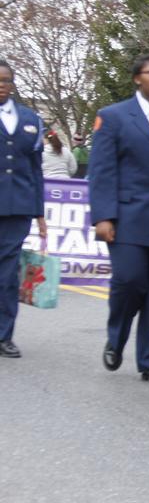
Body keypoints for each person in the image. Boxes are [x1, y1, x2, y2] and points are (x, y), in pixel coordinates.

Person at [89, 54, 149, 382]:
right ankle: (116, 336)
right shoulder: (113, 116)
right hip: (127, 217)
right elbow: (102, 170)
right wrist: (103, 216)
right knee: (129, 281)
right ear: (137, 78)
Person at [0, 60, 47, 359]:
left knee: (7, 274)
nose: (1, 85)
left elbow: (36, 169)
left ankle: (4, 335)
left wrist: (40, 212)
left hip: (18, 207)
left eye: (6, 80)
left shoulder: (31, 119)